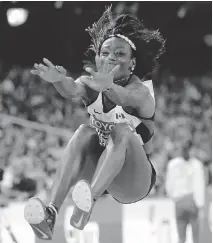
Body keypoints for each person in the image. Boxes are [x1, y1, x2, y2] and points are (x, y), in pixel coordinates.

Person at [24, 6, 165, 239]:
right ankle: (51, 213)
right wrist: (58, 80)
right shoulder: (90, 84)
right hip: (103, 172)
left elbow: (125, 98)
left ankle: (87, 203)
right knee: (83, 132)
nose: (111, 57)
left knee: (121, 130)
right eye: (106, 52)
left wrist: (108, 86)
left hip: (134, 181)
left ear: (132, 63)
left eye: (120, 54)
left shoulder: (141, 90)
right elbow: (72, 89)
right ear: (98, 57)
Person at [165, 140, 206, 243]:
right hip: (191, 200)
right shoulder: (197, 164)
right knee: (194, 237)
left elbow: (169, 185)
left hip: (182, 200)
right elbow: (200, 185)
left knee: (182, 237)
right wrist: (201, 205)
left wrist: (174, 197)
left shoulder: (173, 164)